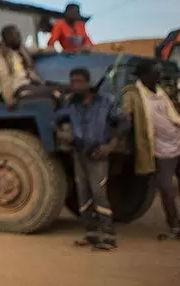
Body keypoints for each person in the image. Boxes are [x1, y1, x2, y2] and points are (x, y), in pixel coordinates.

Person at [121, 59, 180, 240]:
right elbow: (125, 115)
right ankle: (175, 225)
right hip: (162, 150)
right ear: (144, 75)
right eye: (156, 72)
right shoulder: (132, 94)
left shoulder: (161, 91)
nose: (159, 75)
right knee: (166, 189)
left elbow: (174, 113)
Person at [55, 68, 127, 250]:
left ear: (88, 83)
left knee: (99, 194)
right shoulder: (71, 105)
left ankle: (109, 236)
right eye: (72, 82)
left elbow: (124, 122)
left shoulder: (105, 102)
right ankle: (91, 234)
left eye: (79, 81)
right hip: (79, 153)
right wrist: (62, 134)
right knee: (84, 195)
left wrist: (110, 146)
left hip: (98, 154)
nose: (75, 85)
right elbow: (54, 120)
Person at [0, 25, 60, 110]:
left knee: (59, 90)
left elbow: (38, 50)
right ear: (7, 37)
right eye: (16, 35)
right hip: (15, 88)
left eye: (19, 35)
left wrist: (53, 50)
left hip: (28, 84)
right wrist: (9, 100)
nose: (19, 38)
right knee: (51, 96)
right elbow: (3, 76)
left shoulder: (21, 49)